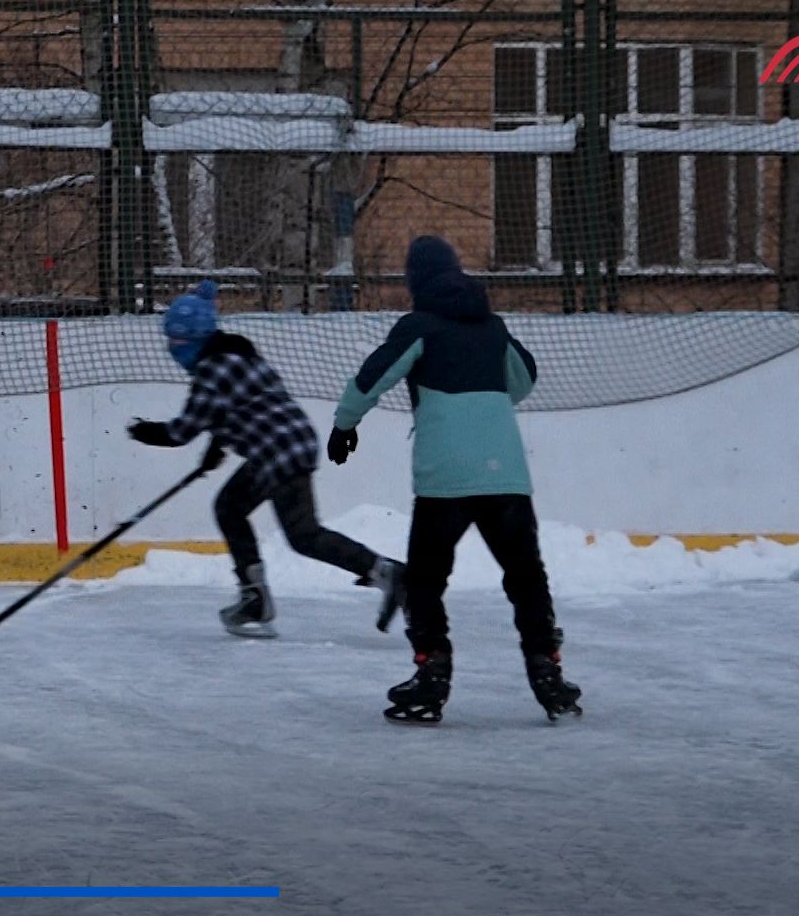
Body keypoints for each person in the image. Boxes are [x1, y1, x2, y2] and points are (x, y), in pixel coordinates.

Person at [329, 236, 582, 723]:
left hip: (446, 478)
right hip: (506, 473)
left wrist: (344, 427)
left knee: (425, 582)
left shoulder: (418, 326)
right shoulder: (492, 326)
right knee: (526, 577)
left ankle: (431, 674)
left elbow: (371, 378)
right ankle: (548, 671)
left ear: (415, 281)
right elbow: (523, 380)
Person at [128, 280, 404, 639]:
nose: (171, 349)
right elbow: (237, 408)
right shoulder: (235, 355)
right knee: (229, 506)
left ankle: (386, 572)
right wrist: (218, 445)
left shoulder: (211, 370)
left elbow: (183, 431)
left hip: (279, 453)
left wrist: (147, 431)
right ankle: (254, 597)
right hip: (281, 446)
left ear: (191, 338)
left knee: (303, 535)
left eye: (176, 342)